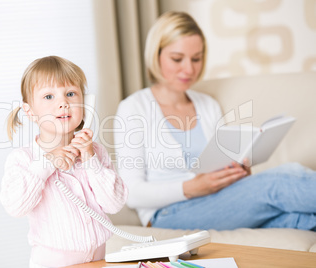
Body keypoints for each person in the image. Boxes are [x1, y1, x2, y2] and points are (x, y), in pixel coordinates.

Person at [114, 11, 316, 231]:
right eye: (177, 59)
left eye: (196, 58)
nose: (189, 69)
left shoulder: (207, 104)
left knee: (298, 220)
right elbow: (131, 193)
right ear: (156, 55)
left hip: (219, 201)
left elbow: (221, 160)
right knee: (279, 182)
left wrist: (234, 173)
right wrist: (191, 187)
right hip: (168, 214)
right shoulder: (133, 108)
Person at [0, 56, 128, 268]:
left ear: (85, 103)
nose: (63, 103)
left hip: (98, 260)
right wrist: (46, 163)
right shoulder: (24, 159)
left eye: (70, 94)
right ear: (30, 111)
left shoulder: (94, 151)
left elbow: (114, 203)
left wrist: (90, 159)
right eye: (49, 96)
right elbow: (15, 206)